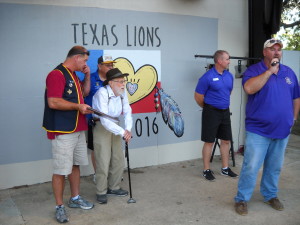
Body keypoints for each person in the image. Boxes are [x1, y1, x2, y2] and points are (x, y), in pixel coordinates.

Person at [234, 38, 300, 216]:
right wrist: (270, 71)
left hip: (282, 130)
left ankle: (270, 195)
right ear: (265, 52)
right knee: (251, 166)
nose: (277, 52)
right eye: (272, 49)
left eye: (279, 49)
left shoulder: (289, 73)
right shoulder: (254, 70)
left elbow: (296, 97)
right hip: (259, 130)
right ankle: (241, 199)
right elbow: (249, 88)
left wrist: (293, 118)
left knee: (274, 166)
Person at [42, 46, 94, 223]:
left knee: (76, 165)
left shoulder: (73, 75)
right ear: (77, 57)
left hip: (78, 128)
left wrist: (87, 76)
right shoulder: (56, 74)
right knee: (60, 170)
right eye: (85, 60)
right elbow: (53, 102)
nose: (86, 63)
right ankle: (59, 206)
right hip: (63, 131)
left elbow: (85, 93)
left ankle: (75, 198)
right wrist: (78, 107)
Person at [194, 50, 238, 181]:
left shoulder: (229, 76)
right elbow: (198, 97)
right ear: (219, 61)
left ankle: (225, 168)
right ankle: (206, 169)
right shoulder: (207, 77)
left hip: (225, 111)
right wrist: (209, 107)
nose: (229, 61)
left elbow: (228, 92)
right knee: (209, 141)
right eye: (227, 59)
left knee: (225, 140)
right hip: (211, 112)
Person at [92, 68, 132, 204]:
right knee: (103, 160)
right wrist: (123, 132)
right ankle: (101, 191)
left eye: (123, 81)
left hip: (116, 125)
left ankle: (114, 187)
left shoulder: (122, 93)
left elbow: (127, 111)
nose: (123, 84)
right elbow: (104, 120)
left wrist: (128, 129)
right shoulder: (102, 93)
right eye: (119, 81)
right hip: (102, 126)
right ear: (110, 83)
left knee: (118, 158)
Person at [84, 55, 116, 183]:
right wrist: (88, 117)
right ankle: (98, 174)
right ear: (99, 66)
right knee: (97, 149)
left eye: (112, 65)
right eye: (107, 65)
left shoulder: (113, 79)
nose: (111, 67)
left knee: (112, 147)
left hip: (112, 120)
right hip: (95, 120)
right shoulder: (90, 79)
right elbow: (84, 97)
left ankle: (112, 173)